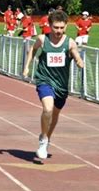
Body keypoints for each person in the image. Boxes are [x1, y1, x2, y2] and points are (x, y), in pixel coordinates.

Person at [23, 10, 84, 159]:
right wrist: (27, 66)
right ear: (49, 26)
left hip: (61, 85)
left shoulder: (69, 42)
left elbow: (75, 52)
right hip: (44, 80)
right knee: (48, 109)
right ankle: (43, 140)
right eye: (56, 27)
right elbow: (33, 49)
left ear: (66, 26)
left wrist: (78, 60)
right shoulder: (43, 39)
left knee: (55, 114)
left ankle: (47, 137)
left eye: (62, 28)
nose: (58, 31)